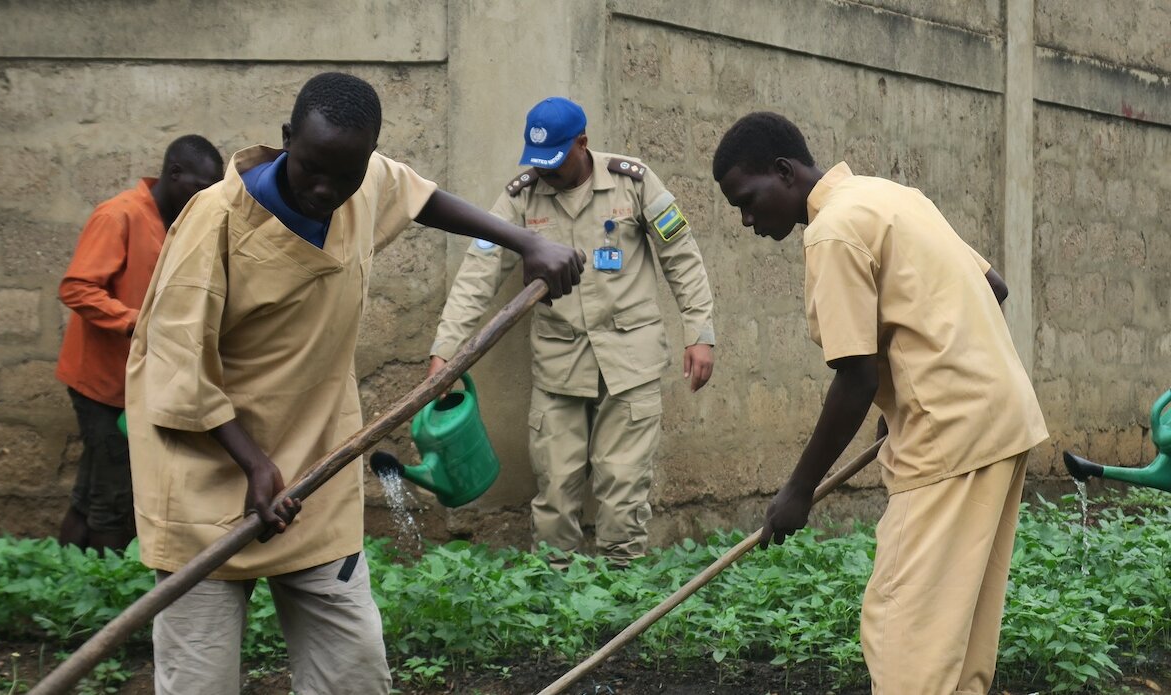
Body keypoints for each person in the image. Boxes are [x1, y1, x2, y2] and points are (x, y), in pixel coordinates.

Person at [124, 73, 582, 695]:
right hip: (209, 476)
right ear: (288, 140)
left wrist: (526, 240)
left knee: (353, 674)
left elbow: (422, 198)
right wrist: (254, 465)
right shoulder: (214, 225)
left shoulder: (359, 181)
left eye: (346, 174)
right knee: (198, 680)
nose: (326, 190)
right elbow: (176, 367)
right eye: (312, 168)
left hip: (315, 469)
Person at [712, 111, 1048, 694]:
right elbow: (994, 287)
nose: (745, 219)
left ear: (784, 171)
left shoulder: (833, 231)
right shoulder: (890, 196)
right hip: (1001, 418)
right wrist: (913, 387)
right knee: (958, 640)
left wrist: (797, 492)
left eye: (747, 198)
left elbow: (856, 379)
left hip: (950, 437)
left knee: (904, 638)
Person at [427, 97, 716, 568]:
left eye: (556, 162)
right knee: (555, 491)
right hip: (560, 364)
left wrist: (699, 332)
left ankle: (622, 602)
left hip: (630, 363)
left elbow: (681, 256)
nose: (546, 174)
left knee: (623, 490)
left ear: (582, 143)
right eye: (537, 163)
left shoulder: (633, 181)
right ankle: (556, 602)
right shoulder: (522, 196)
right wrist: (445, 351)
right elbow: (479, 272)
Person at [55, 135, 223, 553]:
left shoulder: (180, 223)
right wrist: (134, 323)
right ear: (174, 174)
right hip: (101, 384)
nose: (205, 197)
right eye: (199, 187)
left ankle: (65, 586)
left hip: (135, 385)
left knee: (89, 492)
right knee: (115, 499)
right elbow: (77, 288)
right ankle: (115, 601)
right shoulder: (119, 215)